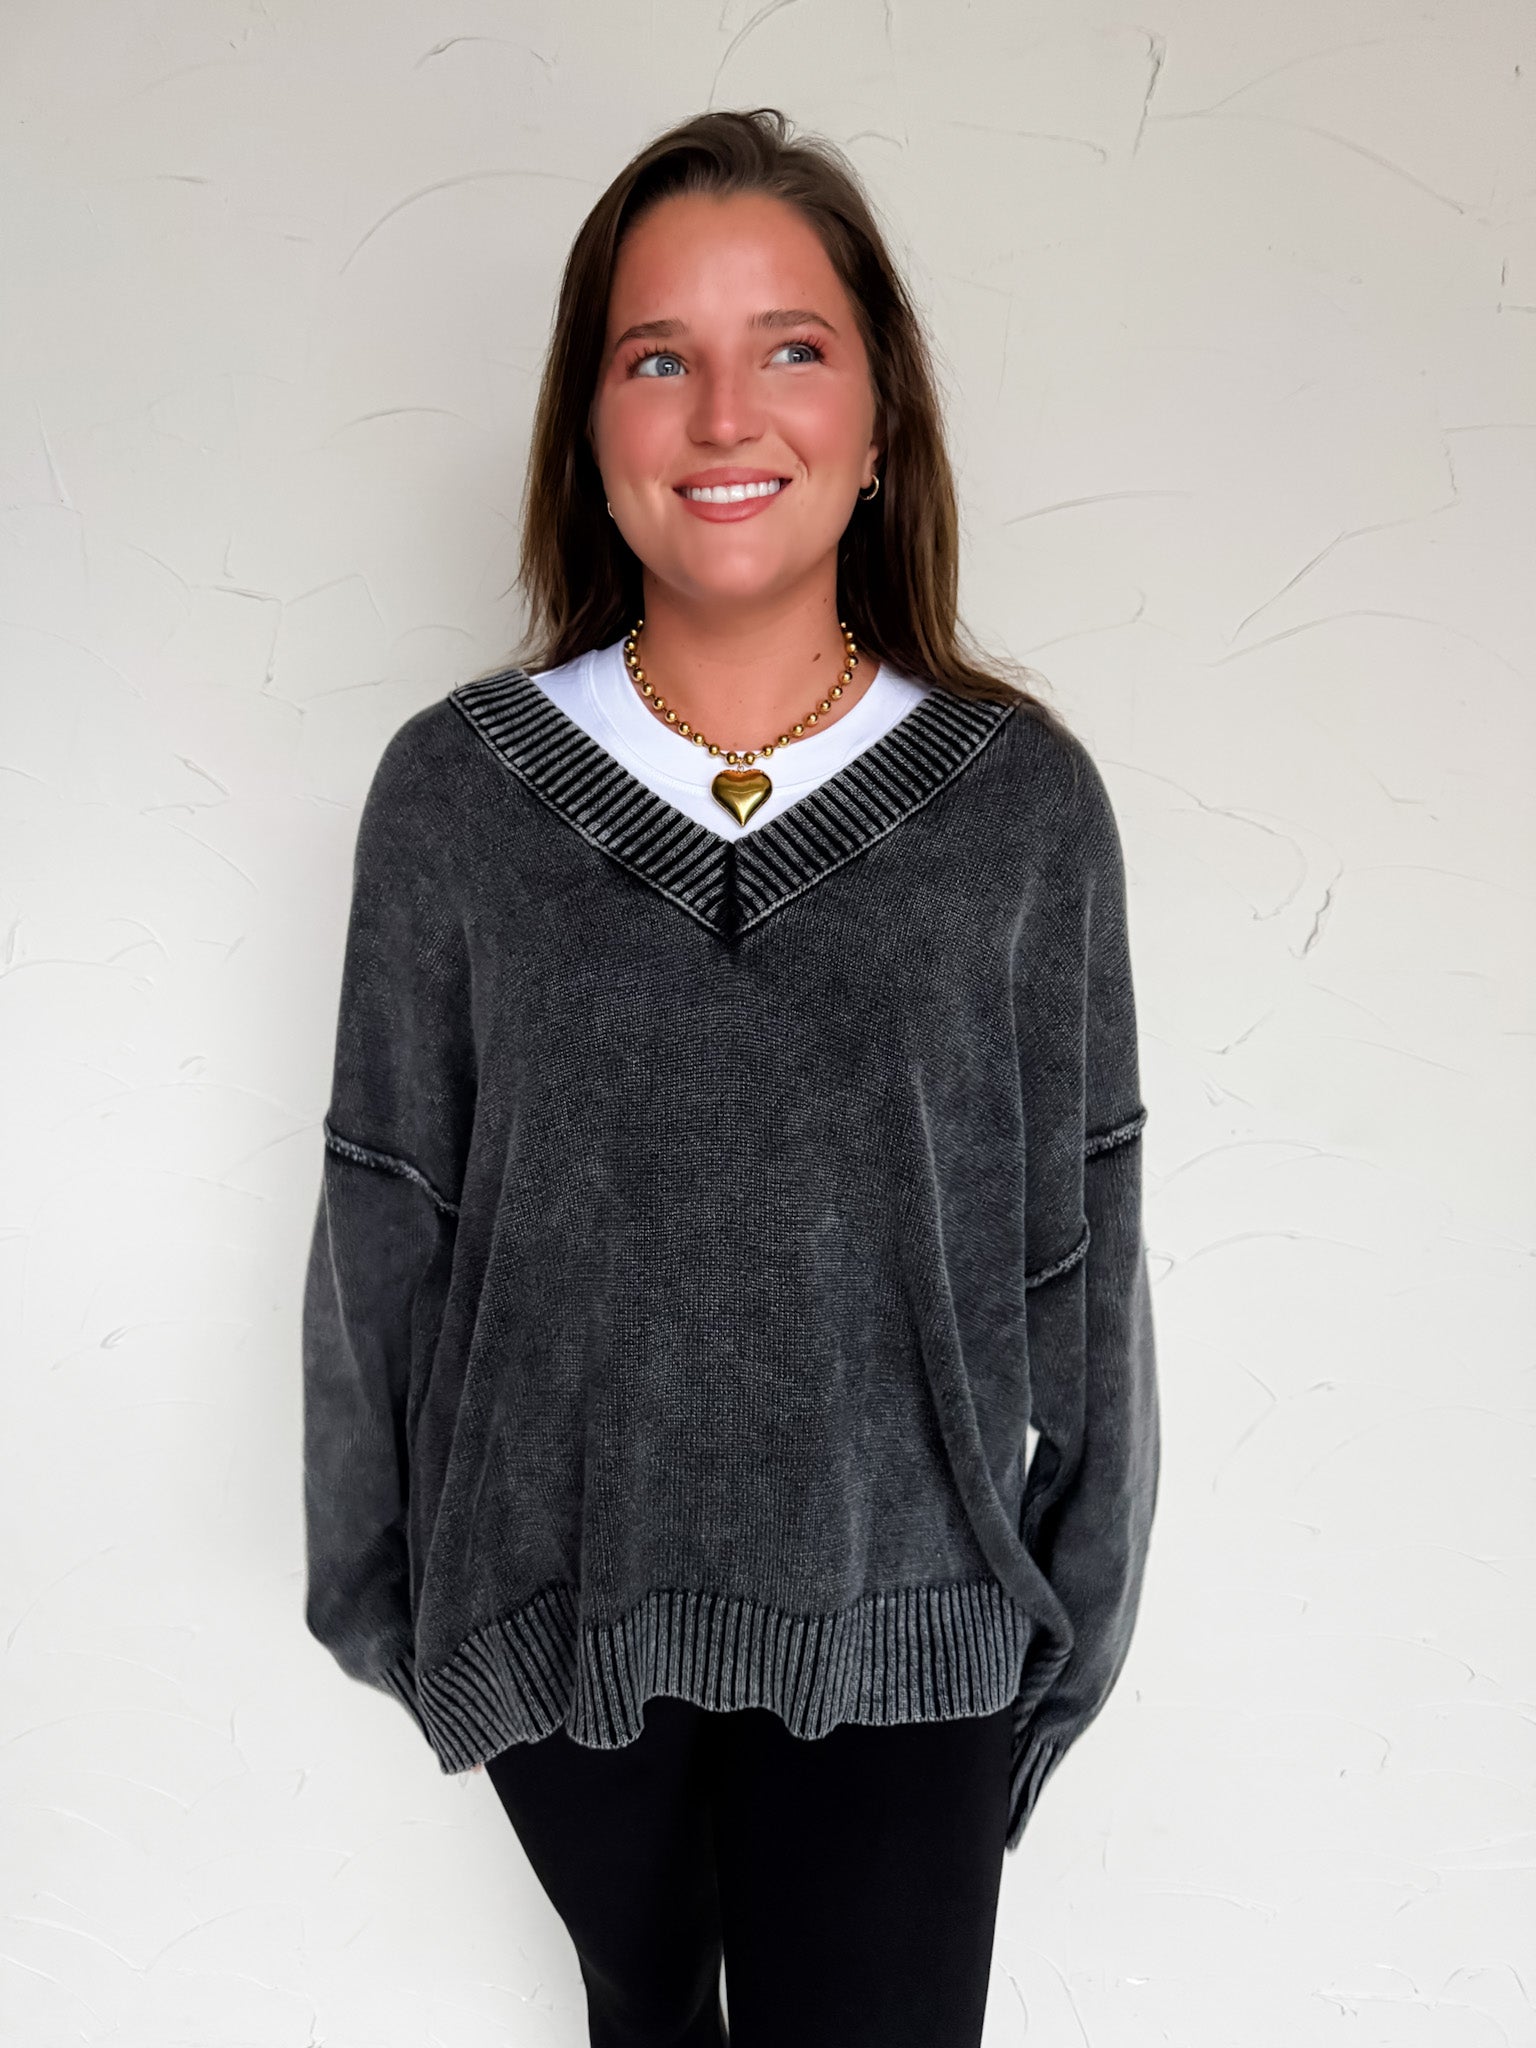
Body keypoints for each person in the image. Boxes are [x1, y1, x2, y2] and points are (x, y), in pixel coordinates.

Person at [302, 106, 1160, 2048]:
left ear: (880, 416)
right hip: (557, 1625)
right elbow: (386, 1209)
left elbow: (1088, 1246)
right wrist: (390, 1597)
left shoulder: (1022, 809)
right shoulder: (458, 794)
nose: (722, 415)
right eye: (656, 356)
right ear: (588, 423)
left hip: (913, 1638)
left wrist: (1068, 1624)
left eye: (790, 346)